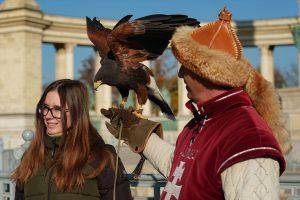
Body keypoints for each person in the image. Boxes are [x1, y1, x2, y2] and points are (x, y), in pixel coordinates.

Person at [101, 8, 292, 200]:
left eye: (185, 66)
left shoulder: (249, 137)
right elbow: (181, 171)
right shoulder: (201, 122)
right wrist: (135, 129)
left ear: (205, 71)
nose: (179, 74)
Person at [11, 79, 132, 200]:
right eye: (45, 107)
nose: (48, 115)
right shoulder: (30, 157)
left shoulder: (102, 157)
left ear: (76, 112)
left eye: (58, 109)